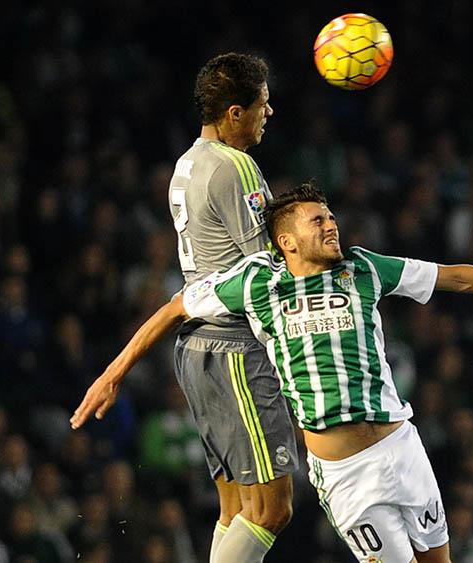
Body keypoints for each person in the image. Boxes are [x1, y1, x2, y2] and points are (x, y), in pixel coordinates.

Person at [71, 183, 473, 562]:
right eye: (318, 220)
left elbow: (456, 277)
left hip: (403, 447)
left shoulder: (363, 267)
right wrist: (113, 374)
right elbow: (174, 308)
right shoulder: (257, 283)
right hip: (347, 474)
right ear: (286, 240)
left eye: (331, 216)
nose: (332, 224)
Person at [141, 52, 298, 562]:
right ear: (235, 112)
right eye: (262, 104)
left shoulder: (186, 165)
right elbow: (268, 264)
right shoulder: (237, 166)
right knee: (272, 510)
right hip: (235, 349)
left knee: (237, 509)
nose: (269, 113)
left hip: (196, 348)